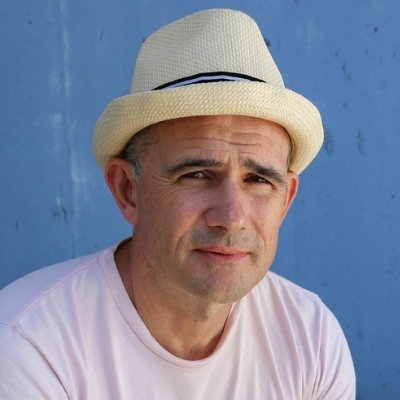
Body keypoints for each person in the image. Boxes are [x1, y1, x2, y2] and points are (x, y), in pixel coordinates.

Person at [0, 8, 356, 399]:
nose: (232, 218)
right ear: (127, 191)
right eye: (197, 175)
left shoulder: (311, 339)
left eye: (258, 180)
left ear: (285, 200)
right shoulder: (29, 347)